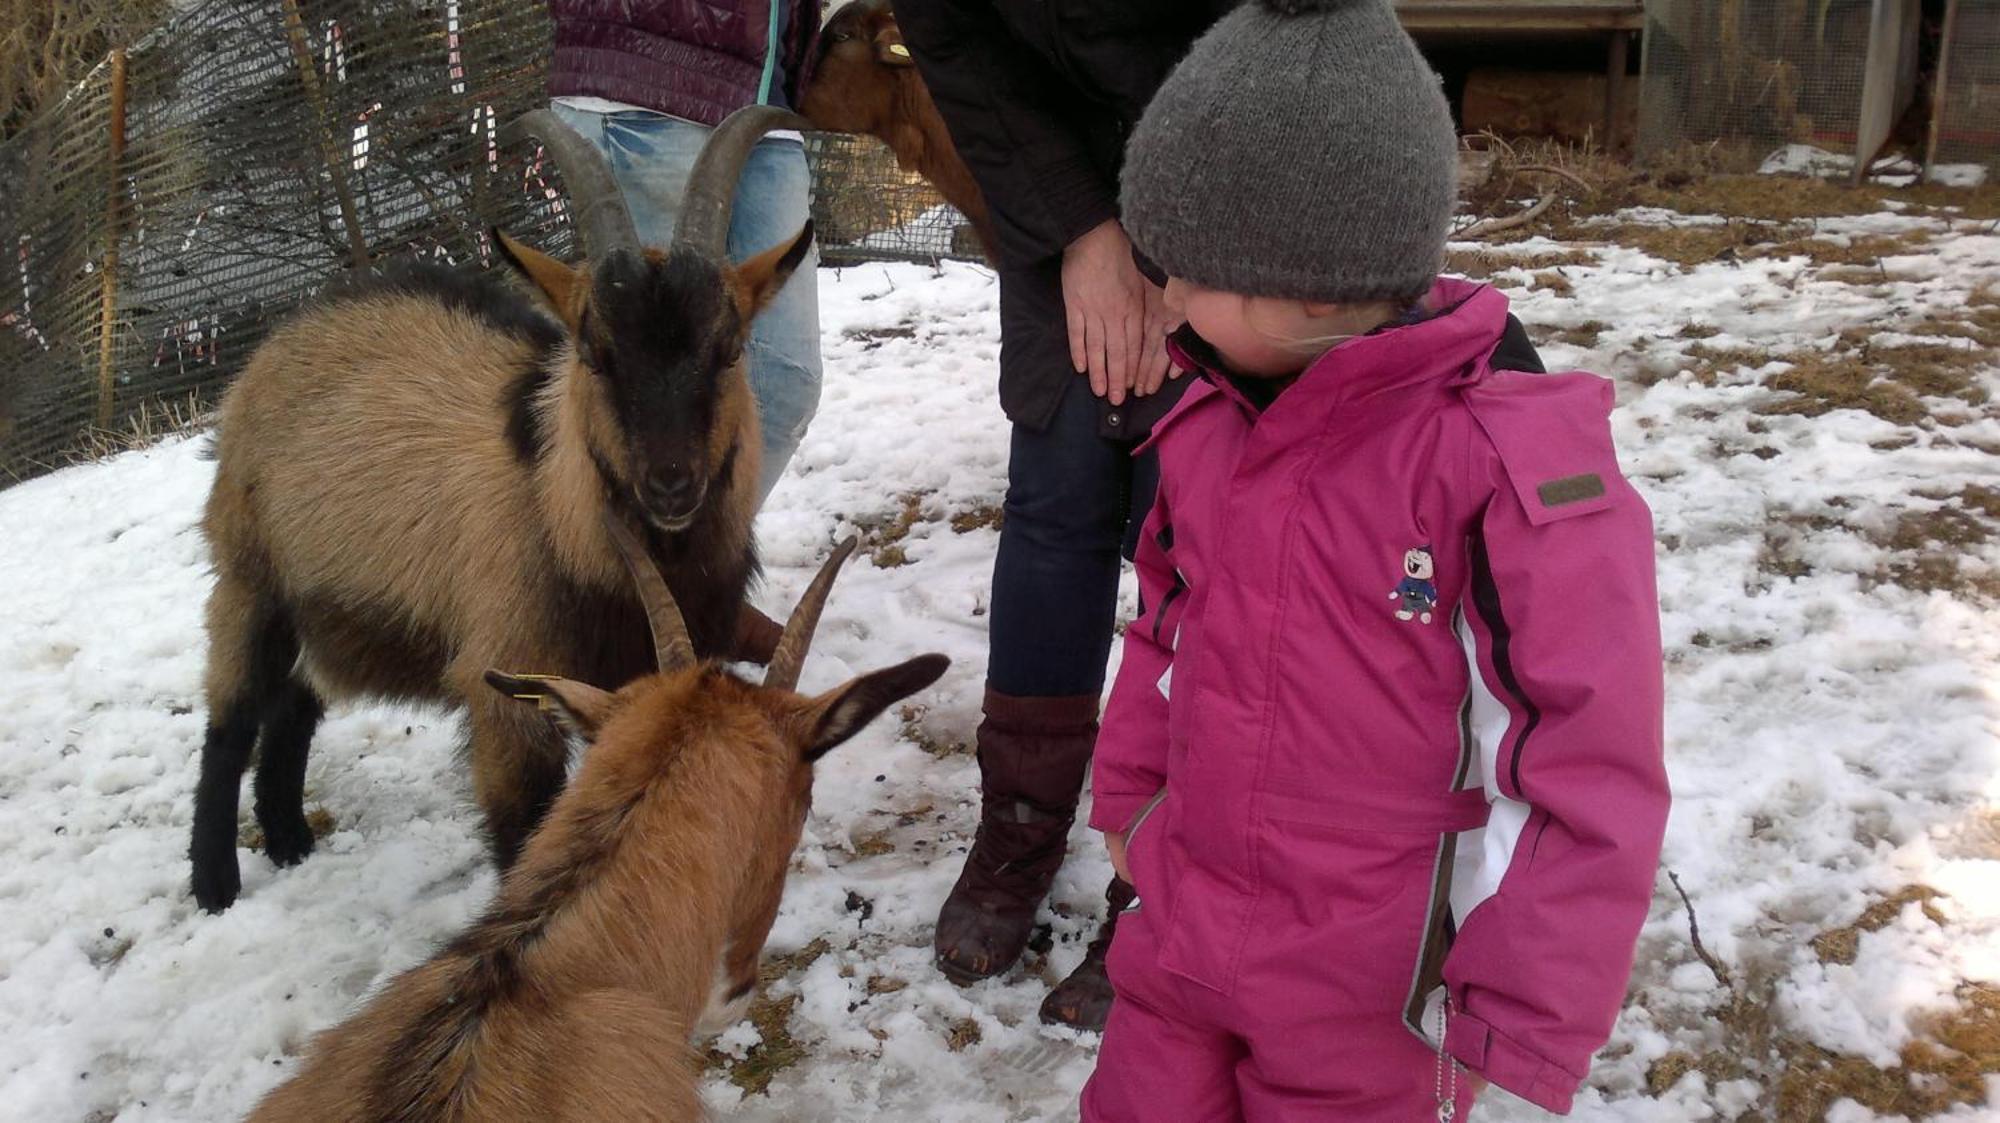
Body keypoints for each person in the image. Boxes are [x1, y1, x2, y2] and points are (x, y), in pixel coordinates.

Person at [1081, 0, 1672, 1117]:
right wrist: (1134, 798)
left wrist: (1521, 1000)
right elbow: (1164, 624)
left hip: (1373, 978)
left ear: (1304, 283)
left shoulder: (1495, 465)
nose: (1161, 298)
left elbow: (1581, 747)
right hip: (1183, 919)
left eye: (1186, 271)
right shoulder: (1205, 423)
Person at [894, 0, 1235, 1029]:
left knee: (1199, 519)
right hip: (1063, 175)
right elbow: (954, 40)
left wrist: (1187, 240)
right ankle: (1021, 826)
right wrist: (1086, 229)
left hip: (1243, 164)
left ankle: (1168, 863)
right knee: (1058, 491)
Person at [543, 1, 822, 512]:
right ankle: (626, 583)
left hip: (766, 97)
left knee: (784, 388)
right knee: (646, 405)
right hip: (647, 79)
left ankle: (690, 582)